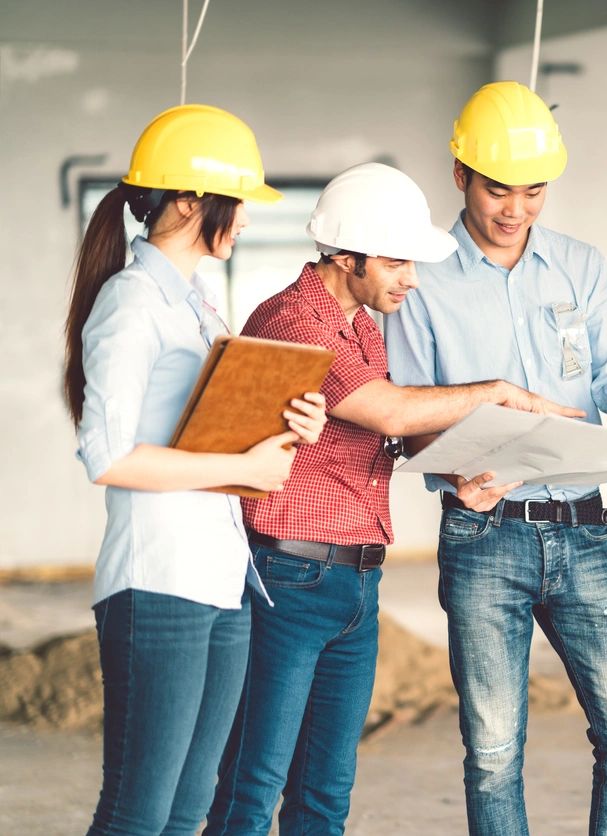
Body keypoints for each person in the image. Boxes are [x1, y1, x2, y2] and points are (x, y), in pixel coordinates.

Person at [205, 162, 581, 835]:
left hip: (353, 579)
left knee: (326, 793)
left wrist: (458, 465)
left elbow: (384, 436)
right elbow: (384, 411)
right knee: (253, 786)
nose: (412, 277)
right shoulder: (294, 319)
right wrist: (497, 392)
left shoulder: (362, 325)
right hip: (290, 578)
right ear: (347, 256)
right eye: (398, 261)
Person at [386, 81, 607, 836]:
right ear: (460, 175)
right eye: (497, 189)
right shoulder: (420, 279)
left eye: (532, 191)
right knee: (493, 753)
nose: (514, 208)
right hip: (482, 535)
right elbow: (406, 412)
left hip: (585, 531)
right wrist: (451, 465)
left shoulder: (581, 269)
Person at [64, 104, 327, 835]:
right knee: (138, 812)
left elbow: (214, 431)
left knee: (187, 812)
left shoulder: (204, 307)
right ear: (188, 201)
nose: (243, 218)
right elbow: (108, 455)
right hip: (157, 580)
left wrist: (288, 426)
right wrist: (241, 462)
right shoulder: (130, 302)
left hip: (221, 575)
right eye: (236, 200)